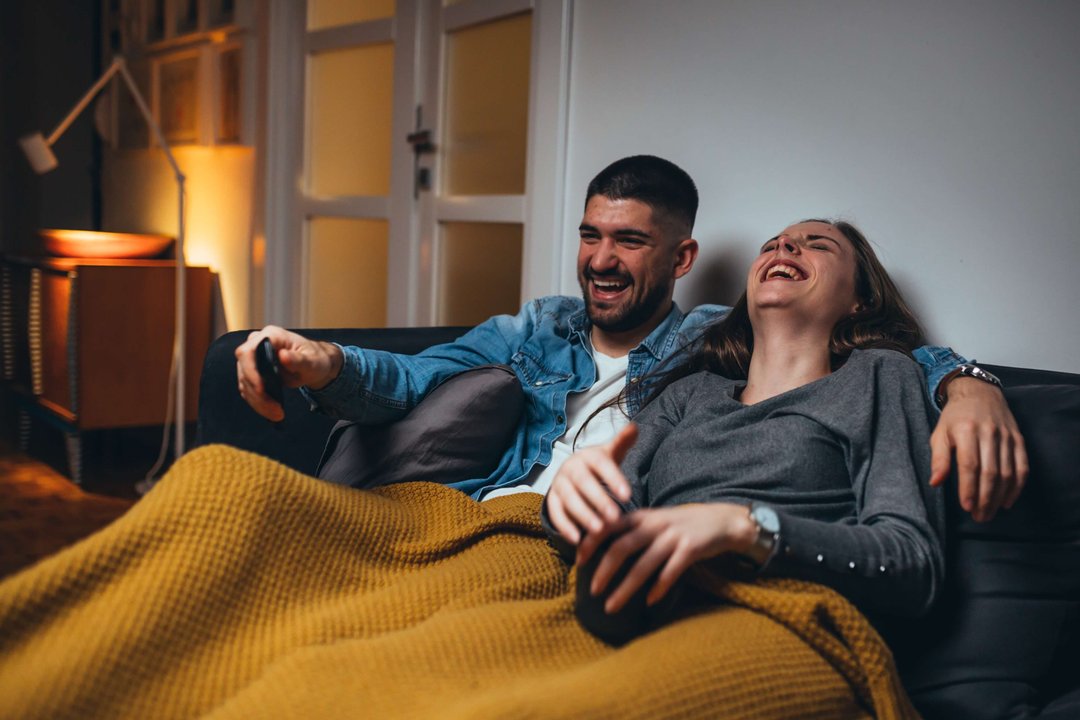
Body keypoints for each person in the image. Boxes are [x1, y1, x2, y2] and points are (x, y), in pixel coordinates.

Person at [235, 155, 1026, 521]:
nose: (600, 261)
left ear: (682, 257)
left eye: (629, 242)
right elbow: (414, 378)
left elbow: (872, 346)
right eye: (590, 235)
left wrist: (969, 383)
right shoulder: (535, 327)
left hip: (579, 543)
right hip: (483, 514)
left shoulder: (720, 342)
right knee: (230, 493)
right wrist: (321, 360)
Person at [544, 219, 943, 640]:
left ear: (860, 301)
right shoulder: (690, 393)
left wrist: (745, 528)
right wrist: (570, 500)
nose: (784, 245)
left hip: (784, 625)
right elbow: (609, 518)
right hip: (648, 608)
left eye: (818, 246)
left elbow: (913, 564)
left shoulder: (879, 375)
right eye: (772, 244)